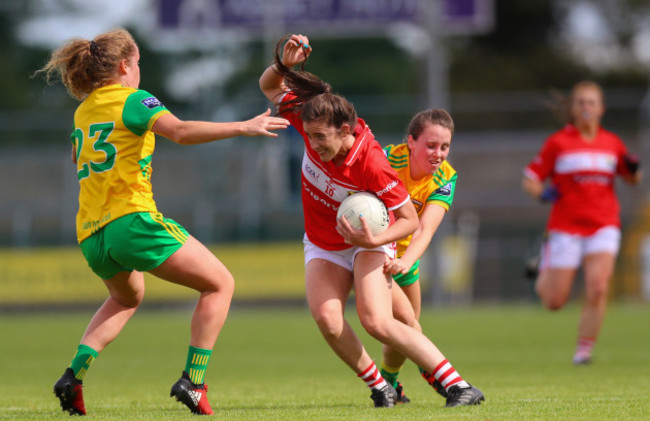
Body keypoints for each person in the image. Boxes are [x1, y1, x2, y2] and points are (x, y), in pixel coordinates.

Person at [35, 28, 289, 416]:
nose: (139, 70)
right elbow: (182, 132)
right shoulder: (134, 99)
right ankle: (194, 381)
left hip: (91, 233)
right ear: (124, 65)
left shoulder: (84, 109)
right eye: (137, 63)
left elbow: (77, 156)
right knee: (220, 284)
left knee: (126, 296)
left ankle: (73, 375)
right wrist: (243, 126)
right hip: (131, 220)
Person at [259, 34, 484, 408]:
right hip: (323, 242)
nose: (312, 144)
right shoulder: (309, 119)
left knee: (379, 322)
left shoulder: (373, 164)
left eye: (320, 139)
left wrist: (369, 243)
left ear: (345, 131)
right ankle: (381, 388)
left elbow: (410, 220)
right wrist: (284, 64)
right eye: (310, 136)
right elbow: (268, 86)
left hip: (373, 242)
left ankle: (459, 387)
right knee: (328, 320)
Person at [522, 81, 642, 365]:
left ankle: (583, 351)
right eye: (581, 102)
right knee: (554, 302)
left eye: (592, 102)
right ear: (573, 108)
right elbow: (530, 178)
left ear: (601, 108)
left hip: (604, 225)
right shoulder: (558, 143)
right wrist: (542, 193)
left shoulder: (612, 143)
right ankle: (543, 269)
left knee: (599, 287)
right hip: (566, 227)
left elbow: (632, 179)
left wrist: (635, 170)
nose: (586, 107)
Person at [380, 109, 458, 402]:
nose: (438, 153)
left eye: (444, 146)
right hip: (372, 253)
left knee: (406, 326)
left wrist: (406, 261)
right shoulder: (385, 158)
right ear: (411, 142)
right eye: (431, 145)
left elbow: (425, 230)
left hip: (405, 259)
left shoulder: (446, 176)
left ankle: (389, 383)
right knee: (409, 325)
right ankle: (434, 370)